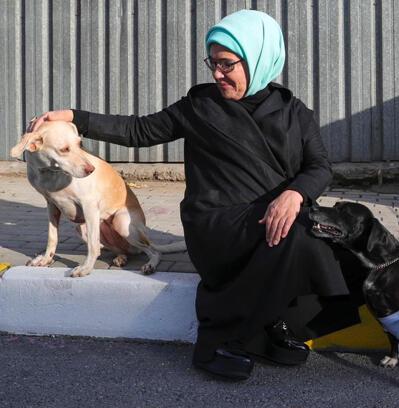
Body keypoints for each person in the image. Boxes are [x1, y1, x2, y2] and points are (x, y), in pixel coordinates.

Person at [29, 10, 365, 381]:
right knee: (295, 234)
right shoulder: (199, 106)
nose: (217, 74)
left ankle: (271, 326)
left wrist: (295, 195)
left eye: (227, 64)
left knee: (327, 235)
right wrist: (75, 115)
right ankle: (219, 340)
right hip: (216, 223)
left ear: (259, 57)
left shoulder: (294, 111)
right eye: (213, 63)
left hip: (271, 215)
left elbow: (319, 167)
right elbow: (138, 131)